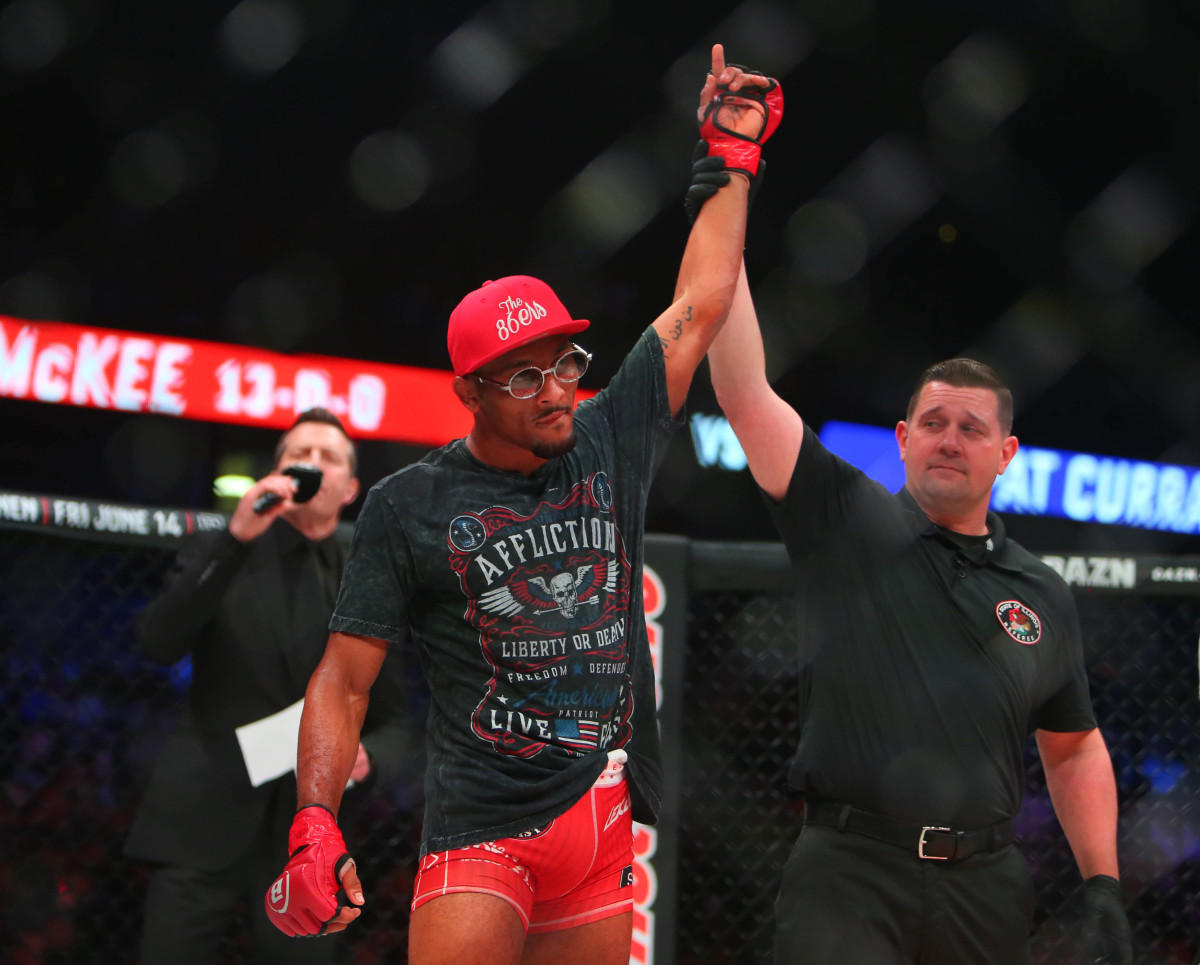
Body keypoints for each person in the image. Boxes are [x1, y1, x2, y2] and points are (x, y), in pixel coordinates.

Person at [263, 45, 783, 965]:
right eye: (525, 376)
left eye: (566, 365)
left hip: (598, 814)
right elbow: (343, 680)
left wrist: (729, 157)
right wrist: (313, 818)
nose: (556, 392)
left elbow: (700, 303)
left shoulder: (610, 433)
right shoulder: (407, 504)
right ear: (470, 392)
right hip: (481, 827)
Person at [703, 261, 1133, 964]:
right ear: (903, 439)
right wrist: (726, 229)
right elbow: (745, 393)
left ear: (1006, 453)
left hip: (985, 883)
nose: (950, 439)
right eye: (933, 422)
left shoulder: (1039, 589)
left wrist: (1104, 885)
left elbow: (1074, 744)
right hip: (849, 870)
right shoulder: (847, 518)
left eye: (970, 427)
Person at [125, 407, 411, 965]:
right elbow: (158, 642)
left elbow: (397, 719)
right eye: (296, 455)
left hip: (307, 837)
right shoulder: (227, 549)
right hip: (203, 814)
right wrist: (234, 537)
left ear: (350, 489)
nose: (309, 464)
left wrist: (370, 757)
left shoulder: (369, 580)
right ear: (275, 473)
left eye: (326, 457)